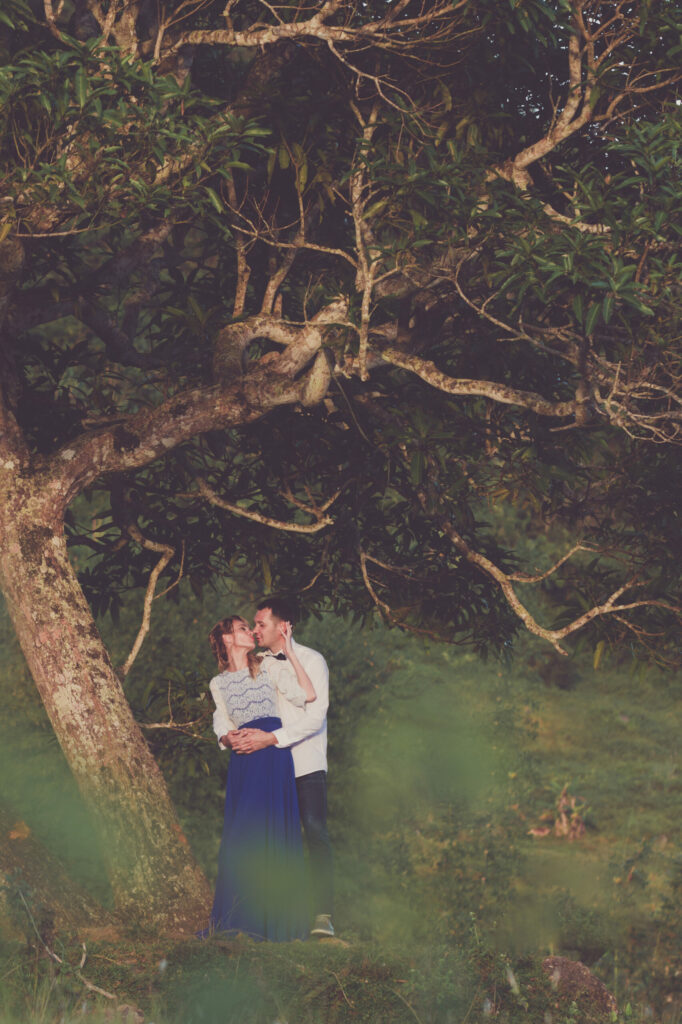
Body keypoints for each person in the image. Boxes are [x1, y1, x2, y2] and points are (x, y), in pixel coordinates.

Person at [227, 597, 335, 939]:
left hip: (303, 762)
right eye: (254, 625)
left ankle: (323, 915)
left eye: (261, 624)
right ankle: (264, 914)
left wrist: (272, 738)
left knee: (314, 833)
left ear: (283, 626)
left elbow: (315, 718)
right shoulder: (257, 664)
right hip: (268, 766)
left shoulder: (312, 661)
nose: (256, 630)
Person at [203, 615, 316, 941]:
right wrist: (227, 739)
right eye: (242, 629)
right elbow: (221, 722)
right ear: (227, 639)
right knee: (242, 837)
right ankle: (240, 920)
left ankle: (279, 924)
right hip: (244, 761)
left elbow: (307, 695)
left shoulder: (267, 665)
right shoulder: (217, 683)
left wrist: (290, 650)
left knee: (273, 830)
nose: (250, 632)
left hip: (271, 754)